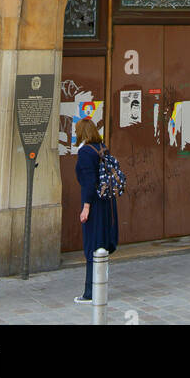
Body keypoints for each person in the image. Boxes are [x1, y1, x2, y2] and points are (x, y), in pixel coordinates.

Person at [74, 117, 119, 303]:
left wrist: (86, 207)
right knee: (100, 246)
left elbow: (89, 182)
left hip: (94, 205)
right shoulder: (101, 147)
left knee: (92, 247)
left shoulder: (85, 151)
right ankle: (100, 288)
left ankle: (90, 293)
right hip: (107, 202)